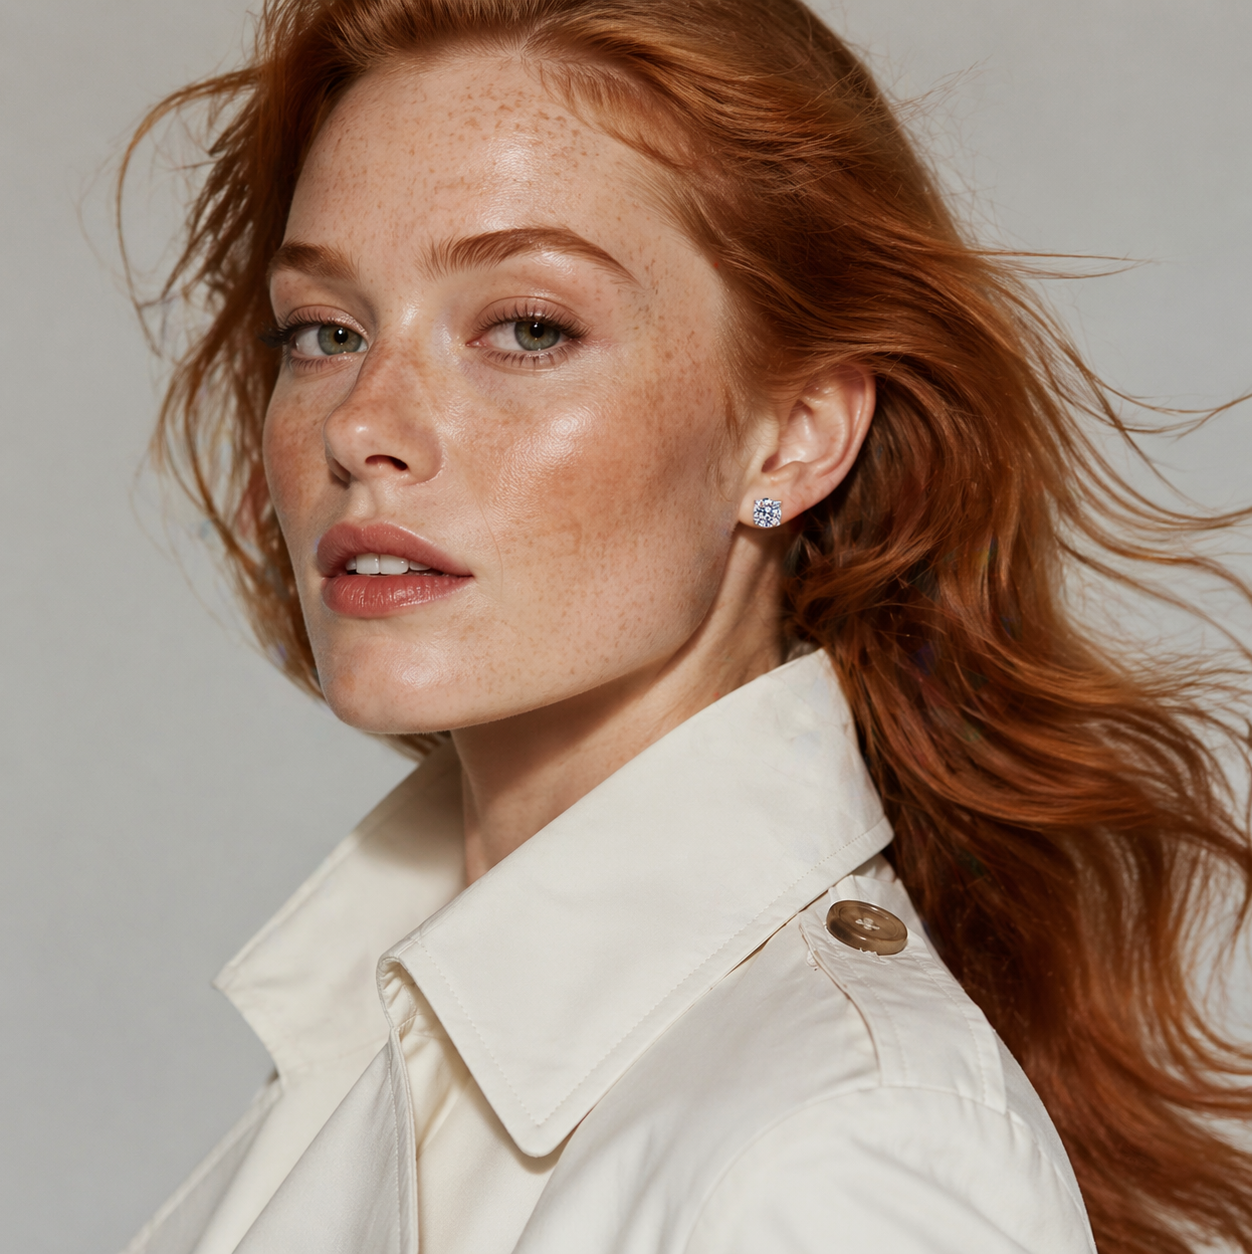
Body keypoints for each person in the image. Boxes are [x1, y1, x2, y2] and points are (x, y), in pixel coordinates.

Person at [118, 1, 1252, 1251]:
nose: (359, 424)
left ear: (794, 435)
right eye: (325, 332)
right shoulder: (378, 1039)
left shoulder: (838, 1153)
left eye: (529, 328)